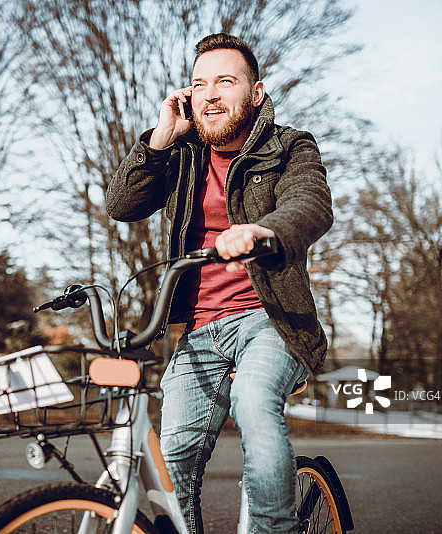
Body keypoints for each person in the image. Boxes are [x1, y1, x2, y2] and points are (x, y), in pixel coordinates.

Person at [106, 33, 333, 534]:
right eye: (199, 83)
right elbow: (122, 207)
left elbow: (310, 205)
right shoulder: (182, 153)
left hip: (272, 320)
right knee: (173, 456)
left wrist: (263, 230)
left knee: (253, 403)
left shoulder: (290, 146)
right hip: (200, 330)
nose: (210, 94)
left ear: (255, 93)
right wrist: (161, 138)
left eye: (225, 81)